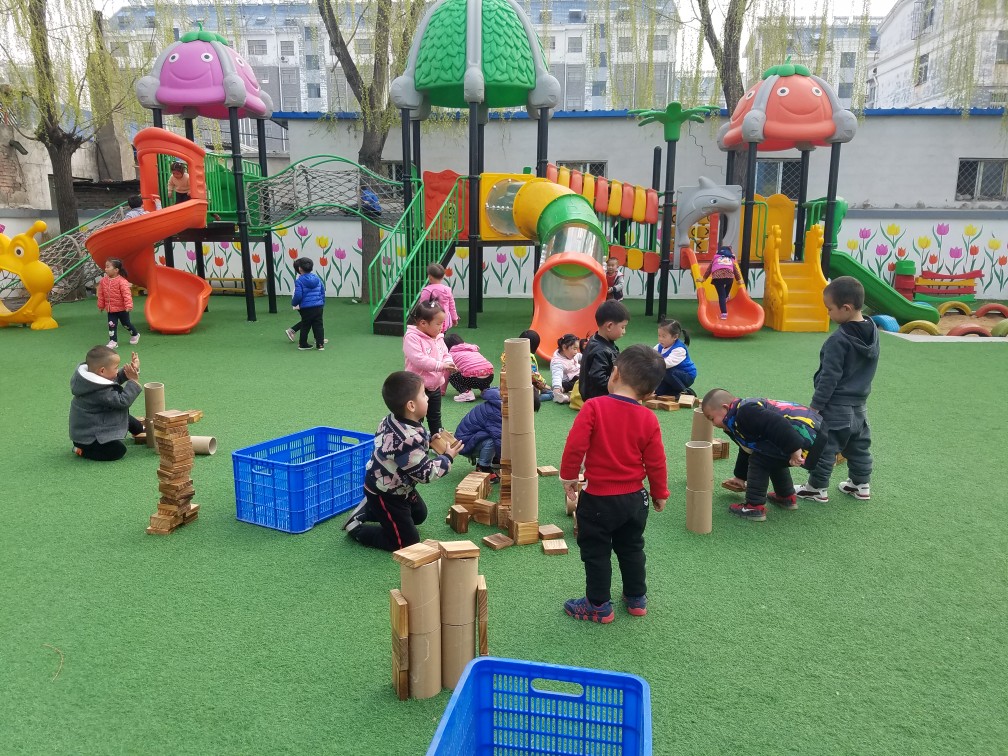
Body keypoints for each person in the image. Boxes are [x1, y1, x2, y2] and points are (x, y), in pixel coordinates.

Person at [559, 345, 669, 623]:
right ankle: (636, 598)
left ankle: (598, 605)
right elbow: (656, 461)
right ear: (650, 392)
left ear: (615, 373)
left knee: (596, 552)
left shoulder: (594, 406)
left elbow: (575, 445)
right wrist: (660, 492)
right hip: (635, 500)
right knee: (632, 547)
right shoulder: (648, 417)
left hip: (598, 499)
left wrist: (569, 476)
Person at [344, 371, 462, 550]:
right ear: (411, 406)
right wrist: (447, 458)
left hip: (397, 486)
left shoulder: (392, 419)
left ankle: (370, 509)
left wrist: (428, 440)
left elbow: (412, 440)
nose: (428, 398)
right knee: (406, 542)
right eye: (423, 394)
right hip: (386, 493)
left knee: (419, 515)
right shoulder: (406, 440)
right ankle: (357, 529)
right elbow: (426, 474)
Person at [795, 276, 879, 503]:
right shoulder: (872, 330)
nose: (828, 313)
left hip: (836, 407)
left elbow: (829, 378)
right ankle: (860, 485)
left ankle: (816, 488)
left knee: (825, 449)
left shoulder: (838, 340)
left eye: (830, 309)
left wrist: (815, 407)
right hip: (860, 407)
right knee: (859, 447)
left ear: (846, 308)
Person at [701, 388, 823, 522]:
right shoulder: (736, 419)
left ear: (725, 408)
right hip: (803, 436)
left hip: (806, 434)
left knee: (759, 460)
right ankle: (786, 497)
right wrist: (740, 477)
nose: (713, 424)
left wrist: (794, 449)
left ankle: (754, 507)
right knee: (769, 457)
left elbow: (777, 423)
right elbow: (748, 448)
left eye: (712, 418)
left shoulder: (746, 412)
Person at [69, 345, 144, 461]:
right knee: (118, 451)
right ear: (102, 371)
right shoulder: (98, 391)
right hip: (89, 438)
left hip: (98, 422)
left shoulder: (93, 379)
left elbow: (113, 379)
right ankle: (80, 450)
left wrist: (132, 370)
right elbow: (122, 401)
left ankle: (139, 430)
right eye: (116, 368)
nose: (117, 370)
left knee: (126, 418)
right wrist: (133, 381)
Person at [455, 387, 541, 483]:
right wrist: (507, 464)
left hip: (473, 437)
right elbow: (499, 439)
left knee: (499, 434)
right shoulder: (497, 413)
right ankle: (483, 467)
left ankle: (495, 460)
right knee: (492, 440)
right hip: (465, 444)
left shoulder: (503, 402)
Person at [403, 298, 454, 435]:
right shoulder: (412, 337)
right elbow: (419, 360)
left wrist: (449, 362)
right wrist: (441, 365)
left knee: (435, 417)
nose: (442, 327)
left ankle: (437, 440)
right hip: (417, 388)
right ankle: (416, 441)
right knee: (416, 419)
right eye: (438, 323)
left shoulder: (438, 337)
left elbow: (445, 353)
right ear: (423, 323)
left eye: (442, 323)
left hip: (435, 386)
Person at [579, 300, 630, 402]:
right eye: (622, 327)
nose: (624, 331)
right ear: (609, 326)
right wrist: (619, 388)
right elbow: (598, 378)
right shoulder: (600, 350)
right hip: (598, 399)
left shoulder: (601, 341)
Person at [97, 258, 139, 348]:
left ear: (116, 270)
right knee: (111, 324)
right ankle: (113, 341)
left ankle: (135, 334)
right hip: (111, 309)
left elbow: (126, 294)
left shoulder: (122, 282)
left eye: (108, 267)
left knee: (126, 324)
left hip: (122, 309)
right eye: (105, 267)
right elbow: (101, 294)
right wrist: (101, 305)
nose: (106, 269)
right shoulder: (103, 281)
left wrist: (128, 305)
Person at [443, 333, 494, 402]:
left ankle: (466, 393)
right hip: (489, 376)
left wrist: (442, 390)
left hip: (474, 380)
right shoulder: (471, 349)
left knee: (453, 377)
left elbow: (446, 373)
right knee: (473, 370)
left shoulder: (450, 355)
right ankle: (486, 391)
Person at [654, 319, 697, 399]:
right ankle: (674, 391)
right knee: (658, 392)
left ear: (675, 337)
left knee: (666, 371)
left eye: (664, 336)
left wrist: (652, 363)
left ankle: (684, 391)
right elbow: (650, 355)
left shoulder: (679, 349)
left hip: (686, 375)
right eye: (659, 335)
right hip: (670, 375)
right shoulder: (659, 346)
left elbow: (667, 363)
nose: (660, 339)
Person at [290, 257, 325, 351]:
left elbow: (298, 295)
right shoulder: (317, 278)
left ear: (300, 269)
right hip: (318, 306)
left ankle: (303, 344)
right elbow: (322, 291)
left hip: (306, 307)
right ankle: (320, 344)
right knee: (318, 325)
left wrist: (294, 303)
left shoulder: (299, 281)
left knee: (305, 325)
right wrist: (322, 302)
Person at [700, 246, 744, 319]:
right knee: (730, 282)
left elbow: (709, 269)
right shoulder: (730, 258)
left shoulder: (715, 258)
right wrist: (739, 279)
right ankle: (726, 296)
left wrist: (704, 278)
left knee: (721, 296)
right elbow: (735, 270)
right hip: (729, 276)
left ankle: (724, 313)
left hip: (717, 277)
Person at [419, 263, 458, 334]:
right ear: (443, 277)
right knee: (441, 337)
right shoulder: (447, 290)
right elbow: (452, 306)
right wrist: (454, 318)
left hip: (431, 322)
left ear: (429, 277)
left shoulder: (427, 290)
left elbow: (423, 307)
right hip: (445, 321)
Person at [550, 333, 581, 405]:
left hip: (576, 376)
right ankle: (561, 394)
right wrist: (557, 388)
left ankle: (564, 391)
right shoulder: (558, 362)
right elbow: (557, 375)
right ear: (564, 347)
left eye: (577, 349)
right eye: (574, 349)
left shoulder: (572, 354)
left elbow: (580, 356)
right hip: (568, 381)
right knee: (581, 383)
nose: (576, 352)